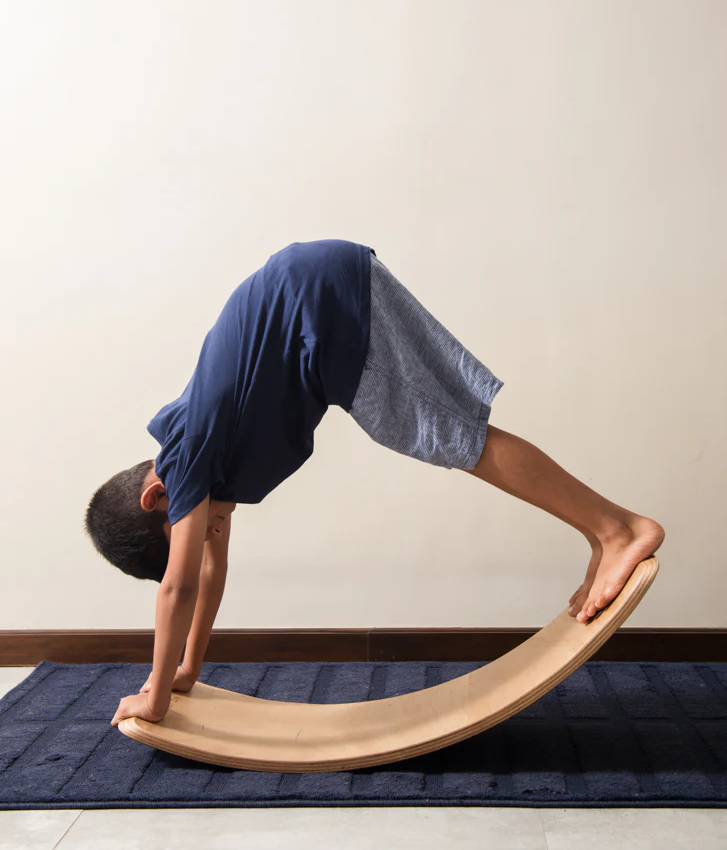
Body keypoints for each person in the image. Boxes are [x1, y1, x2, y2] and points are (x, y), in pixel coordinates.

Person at [84, 239, 664, 728]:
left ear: (156, 496)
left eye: (191, 530)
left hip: (320, 306)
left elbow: (180, 588)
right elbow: (209, 571)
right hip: (318, 296)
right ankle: (603, 532)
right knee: (454, 437)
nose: (210, 531)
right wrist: (186, 669)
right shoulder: (203, 459)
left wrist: (155, 700)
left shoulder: (187, 455)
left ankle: (619, 529)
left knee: (458, 439)